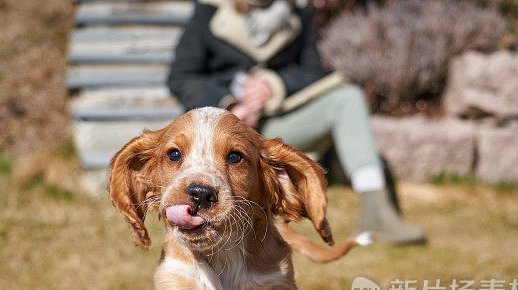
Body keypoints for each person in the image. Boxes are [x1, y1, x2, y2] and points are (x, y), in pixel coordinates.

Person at [167, 0, 426, 245]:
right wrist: (229, 105)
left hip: (273, 124)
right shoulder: (208, 9)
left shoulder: (298, 9)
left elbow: (314, 70)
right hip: (222, 129)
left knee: (349, 97)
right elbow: (182, 77)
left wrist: (274, 86)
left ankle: (376, 212)